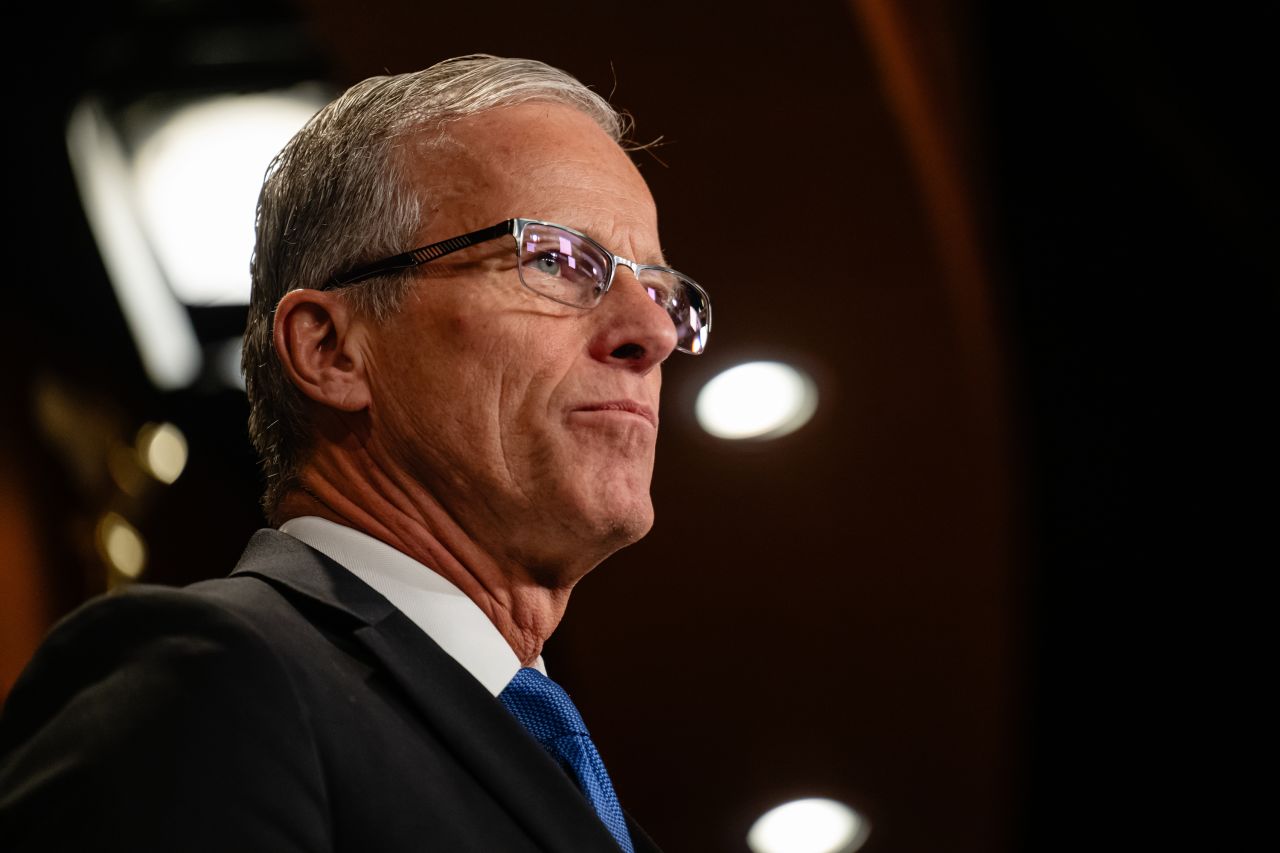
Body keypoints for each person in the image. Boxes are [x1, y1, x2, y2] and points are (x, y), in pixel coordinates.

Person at [0, 54, 710, 852]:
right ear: (332, 349)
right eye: (553, 259)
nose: (651, 334)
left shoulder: (596, 807)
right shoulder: (208, 681)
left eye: (660, 291)